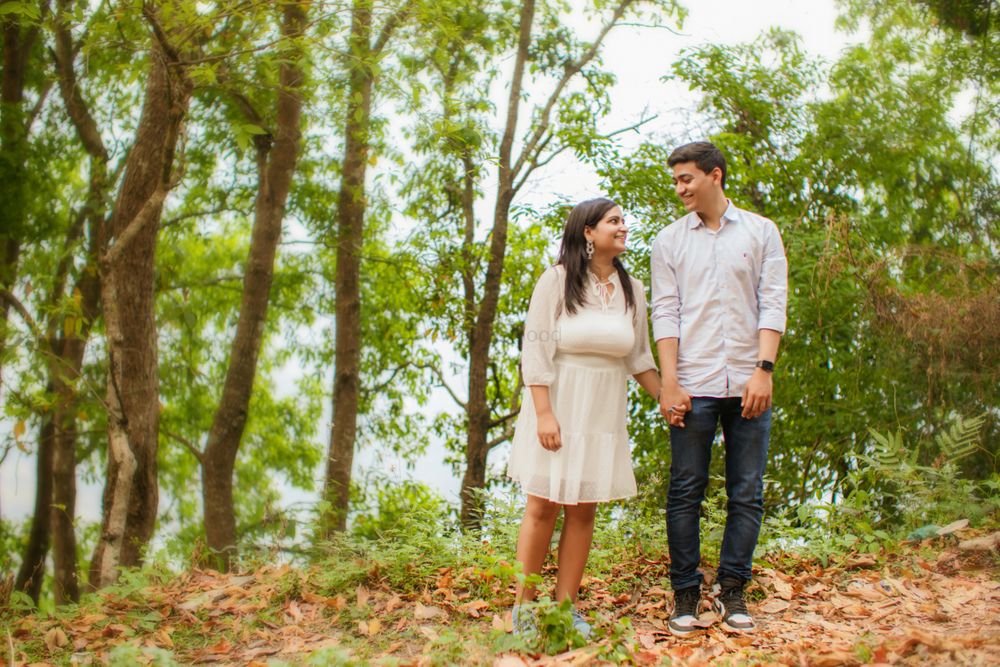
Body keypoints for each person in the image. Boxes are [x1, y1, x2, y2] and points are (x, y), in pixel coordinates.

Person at [507, 197, 662, 638]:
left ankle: (566, 608)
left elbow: (639, 357)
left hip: (602, 409)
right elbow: (535, 350)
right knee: (543, 505)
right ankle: (524, 608)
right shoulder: (556, 281)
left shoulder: (633, 289)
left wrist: (666, 399)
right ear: (588, 232)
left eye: (623, 221)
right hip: (558, 402)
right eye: (614, 221)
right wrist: (543, 414)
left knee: (583, 510)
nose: (623, 227)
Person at [651, 141, 788, 636]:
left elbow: (772, 303)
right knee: (685, 491)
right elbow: (665, 311)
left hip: (749, 381)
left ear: (715, 175)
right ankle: (685, 593)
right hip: (694, 382)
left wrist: (763, 369)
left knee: (747, 492)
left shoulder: (761, 232)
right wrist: (669, 381)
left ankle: (733, 589)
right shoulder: (668, 241)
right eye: (676, 181)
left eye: (686, 179)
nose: (680, 188)